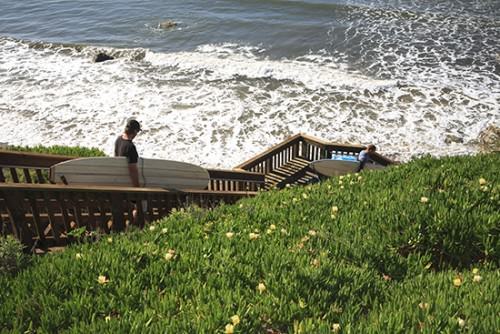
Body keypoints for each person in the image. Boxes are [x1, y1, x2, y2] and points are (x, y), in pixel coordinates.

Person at [115, 119, 141, 187]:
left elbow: (116, 157)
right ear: (135, 131)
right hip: (128, 184)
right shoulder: (131, 147)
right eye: (137, 132)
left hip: (119, 179)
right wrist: (137, 187)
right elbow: (133, 170)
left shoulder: (118, 140)